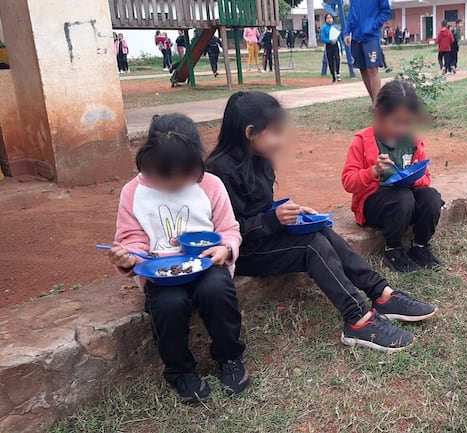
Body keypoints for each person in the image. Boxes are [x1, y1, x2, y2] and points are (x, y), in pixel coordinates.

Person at [207, 91, 438, 352]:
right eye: (275, 133)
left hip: (262, 237)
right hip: (242, 252)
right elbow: (229, 230)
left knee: (322, 229)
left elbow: (256, 209)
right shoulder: (219, 173)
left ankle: (382, 293)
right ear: (250, 133)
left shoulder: (260, 161)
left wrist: (286, 211)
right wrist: (272, 220)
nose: (281, 141)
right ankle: (358, 319)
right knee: (311, 244)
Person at [108, 113, 248, 404]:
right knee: (168, 304)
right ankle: (180, 370)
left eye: (184, 173)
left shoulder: (211, 185)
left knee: (216, 291)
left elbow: (228, 229)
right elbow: (132, 239)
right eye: (163, 173)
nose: (173, 182)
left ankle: (229, 357)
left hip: (207, 265)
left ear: (198, 164)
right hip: (159, 270)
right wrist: (128, 257)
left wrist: (225, 249)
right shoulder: (133, 192)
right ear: (146, 161)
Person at [342, 81, 444, 273]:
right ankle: (393, 249)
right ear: (379, 115)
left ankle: (420, 246)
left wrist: (413, 178)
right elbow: (348, 181)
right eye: (396, 122)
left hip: (406, 205)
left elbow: (426, 179)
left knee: (432, 197)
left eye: (407, 123)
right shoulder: (363, 141)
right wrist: (373, 171)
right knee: (402, 198)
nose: (402, 129)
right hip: (375, 206)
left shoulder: (413, 142)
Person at [344, 0, 391, 106]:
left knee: (373, 68)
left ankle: (378, 105)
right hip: (356, 37)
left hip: (371, 36)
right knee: (363, 68)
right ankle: (374, 102)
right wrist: (347, 32)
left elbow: (386, 12)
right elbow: (352, 12)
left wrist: (373, 26)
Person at [321, 13, 342, 83]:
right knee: (330, 61)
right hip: (328, 45)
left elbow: (339, 38)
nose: (329, 19)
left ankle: (338, 73)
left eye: (330, 18)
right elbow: (322, 38)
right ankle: (333, 76)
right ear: (325, 20)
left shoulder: (336, 27)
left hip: (335, 45)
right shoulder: (324, 28)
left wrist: (341, 46)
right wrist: (330, 41)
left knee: (337, 58)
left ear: (333, 19)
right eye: (327, 18)